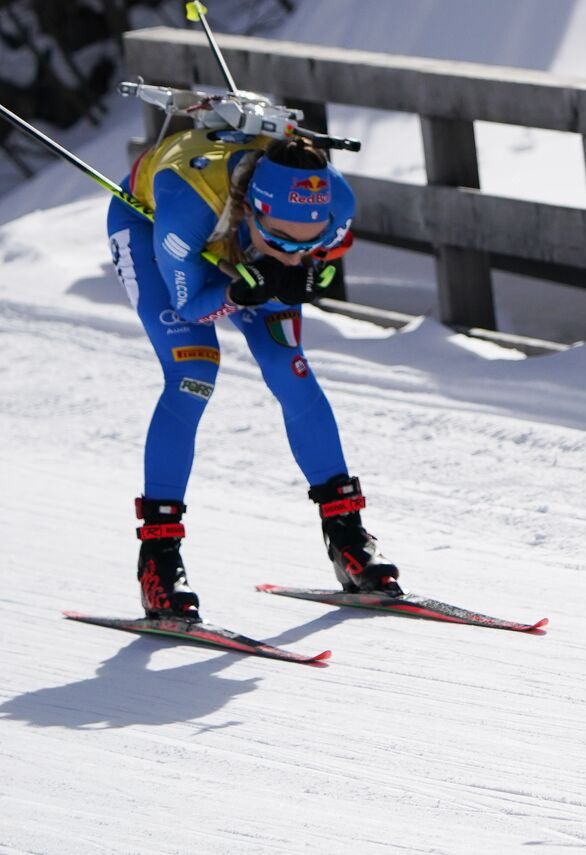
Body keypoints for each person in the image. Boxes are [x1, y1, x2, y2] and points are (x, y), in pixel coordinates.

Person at [107, 127, 401, 622]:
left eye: (313, 241)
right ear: (254, 210)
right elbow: (191, 305)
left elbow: (319, 253)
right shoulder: (188, 209)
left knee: (291, 369)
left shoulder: (337, 198)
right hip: (154, 232)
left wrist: (306, 264)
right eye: (283, 240)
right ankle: (158, 562)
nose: (294, 255)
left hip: (240, 246)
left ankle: (348, 537)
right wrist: (238, 293)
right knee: (193, 373)